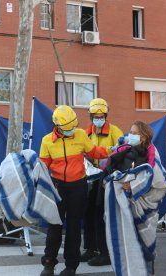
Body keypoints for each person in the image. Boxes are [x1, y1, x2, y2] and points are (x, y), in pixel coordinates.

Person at [39, 105, 111, 276]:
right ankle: (49, 263)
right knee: (55, 227)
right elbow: (42, 166)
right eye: (68, 128)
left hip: (78, 187)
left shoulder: (80, 134)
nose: (72, 130)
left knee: (73, 228)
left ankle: (71, 266)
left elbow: (94, 151)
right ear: (57, 126)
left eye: (73, 126)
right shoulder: (47, 141)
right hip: (58, 188)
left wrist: (113, 150)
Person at [103, 120, 166, 276]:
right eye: (130, 132)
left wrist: (134, 186)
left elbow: (160, 180)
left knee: (145, 244)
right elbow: (111, 170)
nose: (130, 135)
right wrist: (119, 181)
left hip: (144, 206)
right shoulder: (123, 150)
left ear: (144, 136)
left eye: (134, 133)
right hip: (125, 205)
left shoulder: (152, 152)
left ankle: (145, 272)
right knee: (127, 242)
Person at [81, 98, 123, 266]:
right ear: (91, 116)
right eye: (95, 115)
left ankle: (104, 252)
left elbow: (123, 151)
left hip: (106, 179)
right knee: (88, 214)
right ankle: (90, 249)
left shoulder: (114, 131)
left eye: (101, 115)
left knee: (101, 215)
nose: (99, 118)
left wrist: (110, 161)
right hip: (90, 178)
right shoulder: (86, 133)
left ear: (105, 115)